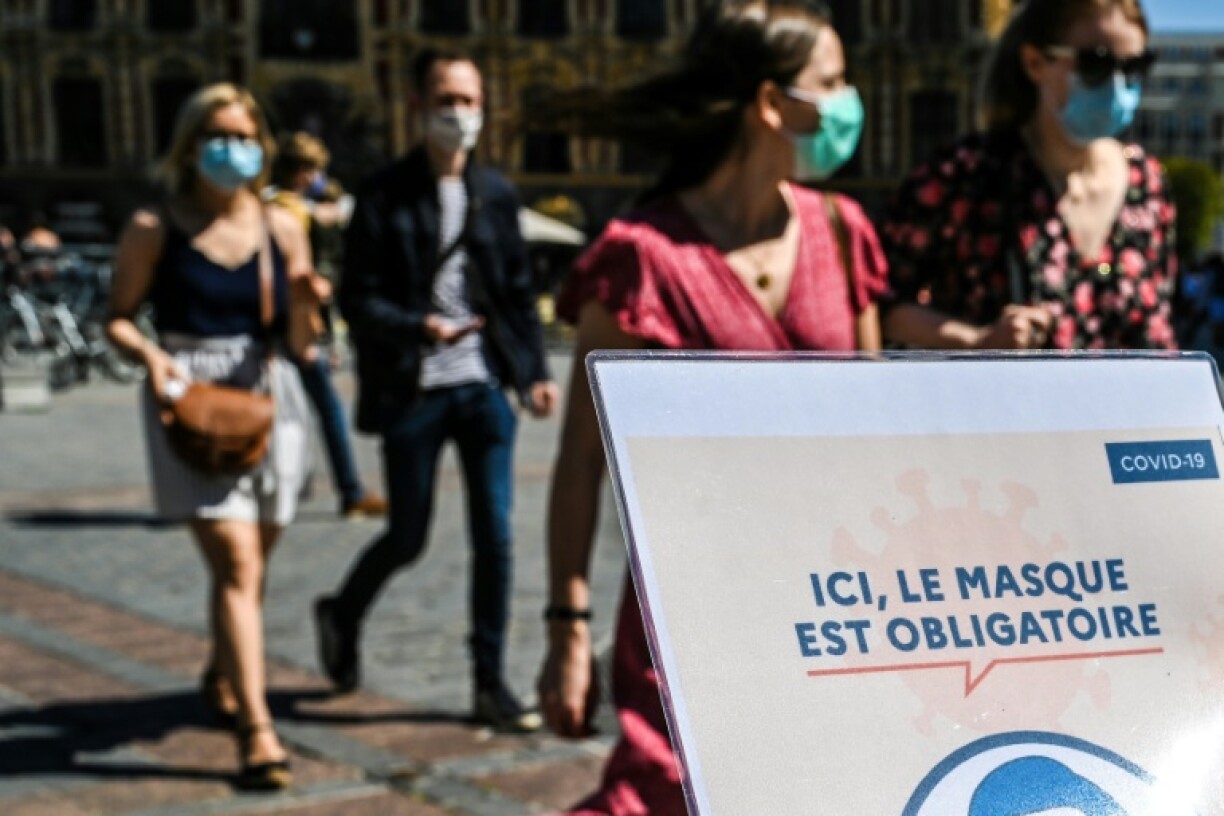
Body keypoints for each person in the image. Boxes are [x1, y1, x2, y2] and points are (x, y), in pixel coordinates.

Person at [535, 1, 888, 812]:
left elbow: (877, 436)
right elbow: (581, 463)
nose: (849, 102)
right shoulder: (642, 260)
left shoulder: (844, 231)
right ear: (772, 104)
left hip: (835, 614)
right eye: (832, 84)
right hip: (689, 616)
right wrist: (566, 630)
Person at [313, 47, 559, 731]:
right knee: (408, 535)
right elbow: (358, 300)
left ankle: (489, 683)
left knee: (497, 538)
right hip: (414, 388)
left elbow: (514, 291)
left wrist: (534, 373)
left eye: (469, 100)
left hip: (482, 388)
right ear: (420, 106)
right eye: (445, 99)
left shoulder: (497, 194)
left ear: (484, 108)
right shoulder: (384, 194)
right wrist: (418, 328)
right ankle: (342, 611)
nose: (458, 113)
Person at [106, 82, 322, 791]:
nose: (233, 148)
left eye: (245, 136)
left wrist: (307, 305)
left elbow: (300, 344)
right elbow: (119, 317)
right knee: (235, 563)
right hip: (189, 394)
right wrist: (151, 357)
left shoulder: (282, 226)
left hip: (266, 396)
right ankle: (256, 728)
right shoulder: (153, 225)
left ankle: (224, 667)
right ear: (191, 144)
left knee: (252, 565)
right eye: (217, 135)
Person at [881, 0, 1175, 352]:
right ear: (1035, 62)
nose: (1118, 84)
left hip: (1130, 407)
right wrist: (977, 341)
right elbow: (882, 302)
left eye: (1135, 66)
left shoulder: (1148, 183)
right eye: (1096, 63)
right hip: (1001, 404)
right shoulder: (967, 173)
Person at [266, 132, 388, 519]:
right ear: (304, 173)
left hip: (266, 320)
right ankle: (350, 488)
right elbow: (308, 276)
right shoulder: (299, 214)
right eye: (317, 170)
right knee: (327, 407)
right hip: (300, 320)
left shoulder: (260, 206)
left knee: (270, 401)